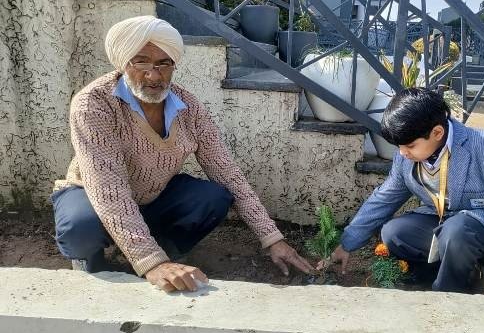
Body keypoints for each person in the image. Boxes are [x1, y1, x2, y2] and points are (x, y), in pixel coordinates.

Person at [52, 15, 313, 292]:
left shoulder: (188, 107)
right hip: (91, 193)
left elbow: (228, 174)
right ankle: (95, 261)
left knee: (214, 197)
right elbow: (109, 190)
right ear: (123, 62)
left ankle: (160, 255)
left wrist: (272, 239)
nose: (154, 75)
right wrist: (150, 262)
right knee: (80, 227)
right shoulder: (93, 104)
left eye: (164, 63)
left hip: (153, 195)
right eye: (141, 62)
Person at [321, 87, 484, 297]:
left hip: (483, 227)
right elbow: (383, 199)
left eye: (410, 146)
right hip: (442, 221)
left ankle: (447, 296)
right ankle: (427, 277)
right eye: (399, 146)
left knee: (456, 232)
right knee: (394, 232)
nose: (403, 153)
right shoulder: (405, 157)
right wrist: (347, 244)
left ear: (437, 132)